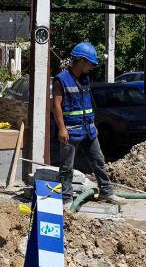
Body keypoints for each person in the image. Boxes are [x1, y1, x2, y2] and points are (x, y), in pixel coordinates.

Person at [52, 42, 124, 207]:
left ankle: (106, 192)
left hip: (88, 130)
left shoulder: (86, 79)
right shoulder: (61, 80)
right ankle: (66, 199)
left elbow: (87, 104)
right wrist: (62, 129)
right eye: (90, 63)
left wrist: (93, 123)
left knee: (99, 160)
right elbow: (56, 106)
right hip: (70, 131)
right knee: (67, 167)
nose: (92, 67)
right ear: (81, 61)